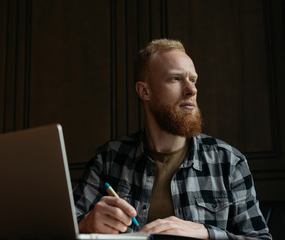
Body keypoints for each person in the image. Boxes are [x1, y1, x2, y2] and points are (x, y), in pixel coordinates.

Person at [73, 39, 272, 240]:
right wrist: (85, 225)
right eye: (176, 79)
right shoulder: (109, 159)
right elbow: (59, 229)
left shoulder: (229, 162)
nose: (191, 90)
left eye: (193, 80)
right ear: (144, 91)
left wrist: (206, 233)